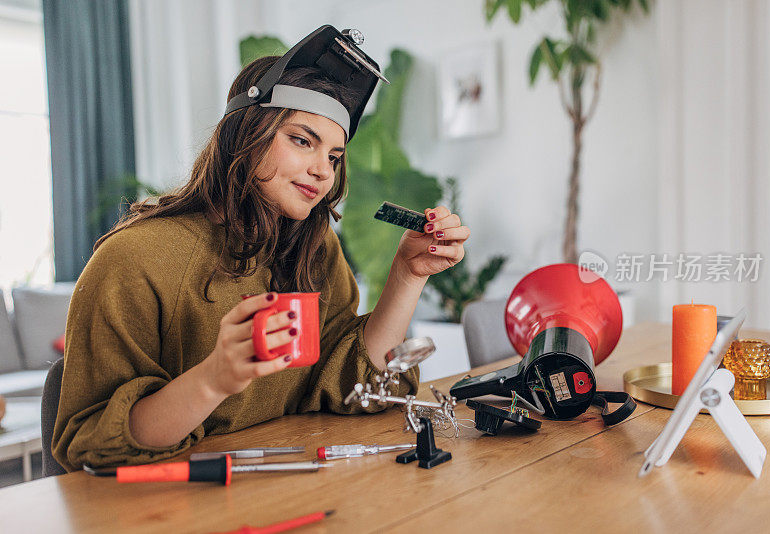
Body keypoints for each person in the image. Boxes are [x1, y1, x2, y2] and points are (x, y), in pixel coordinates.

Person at [52, 27, 470, 471]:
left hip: (291, 483)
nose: (322, 171)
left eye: (333, 156)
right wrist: (214, 379)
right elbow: (93, 444)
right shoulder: (134, 260)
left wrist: (409, 274)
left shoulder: (313, 248)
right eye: (302, 140)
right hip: (172, 502)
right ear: (247, 133)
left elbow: (355, 387)